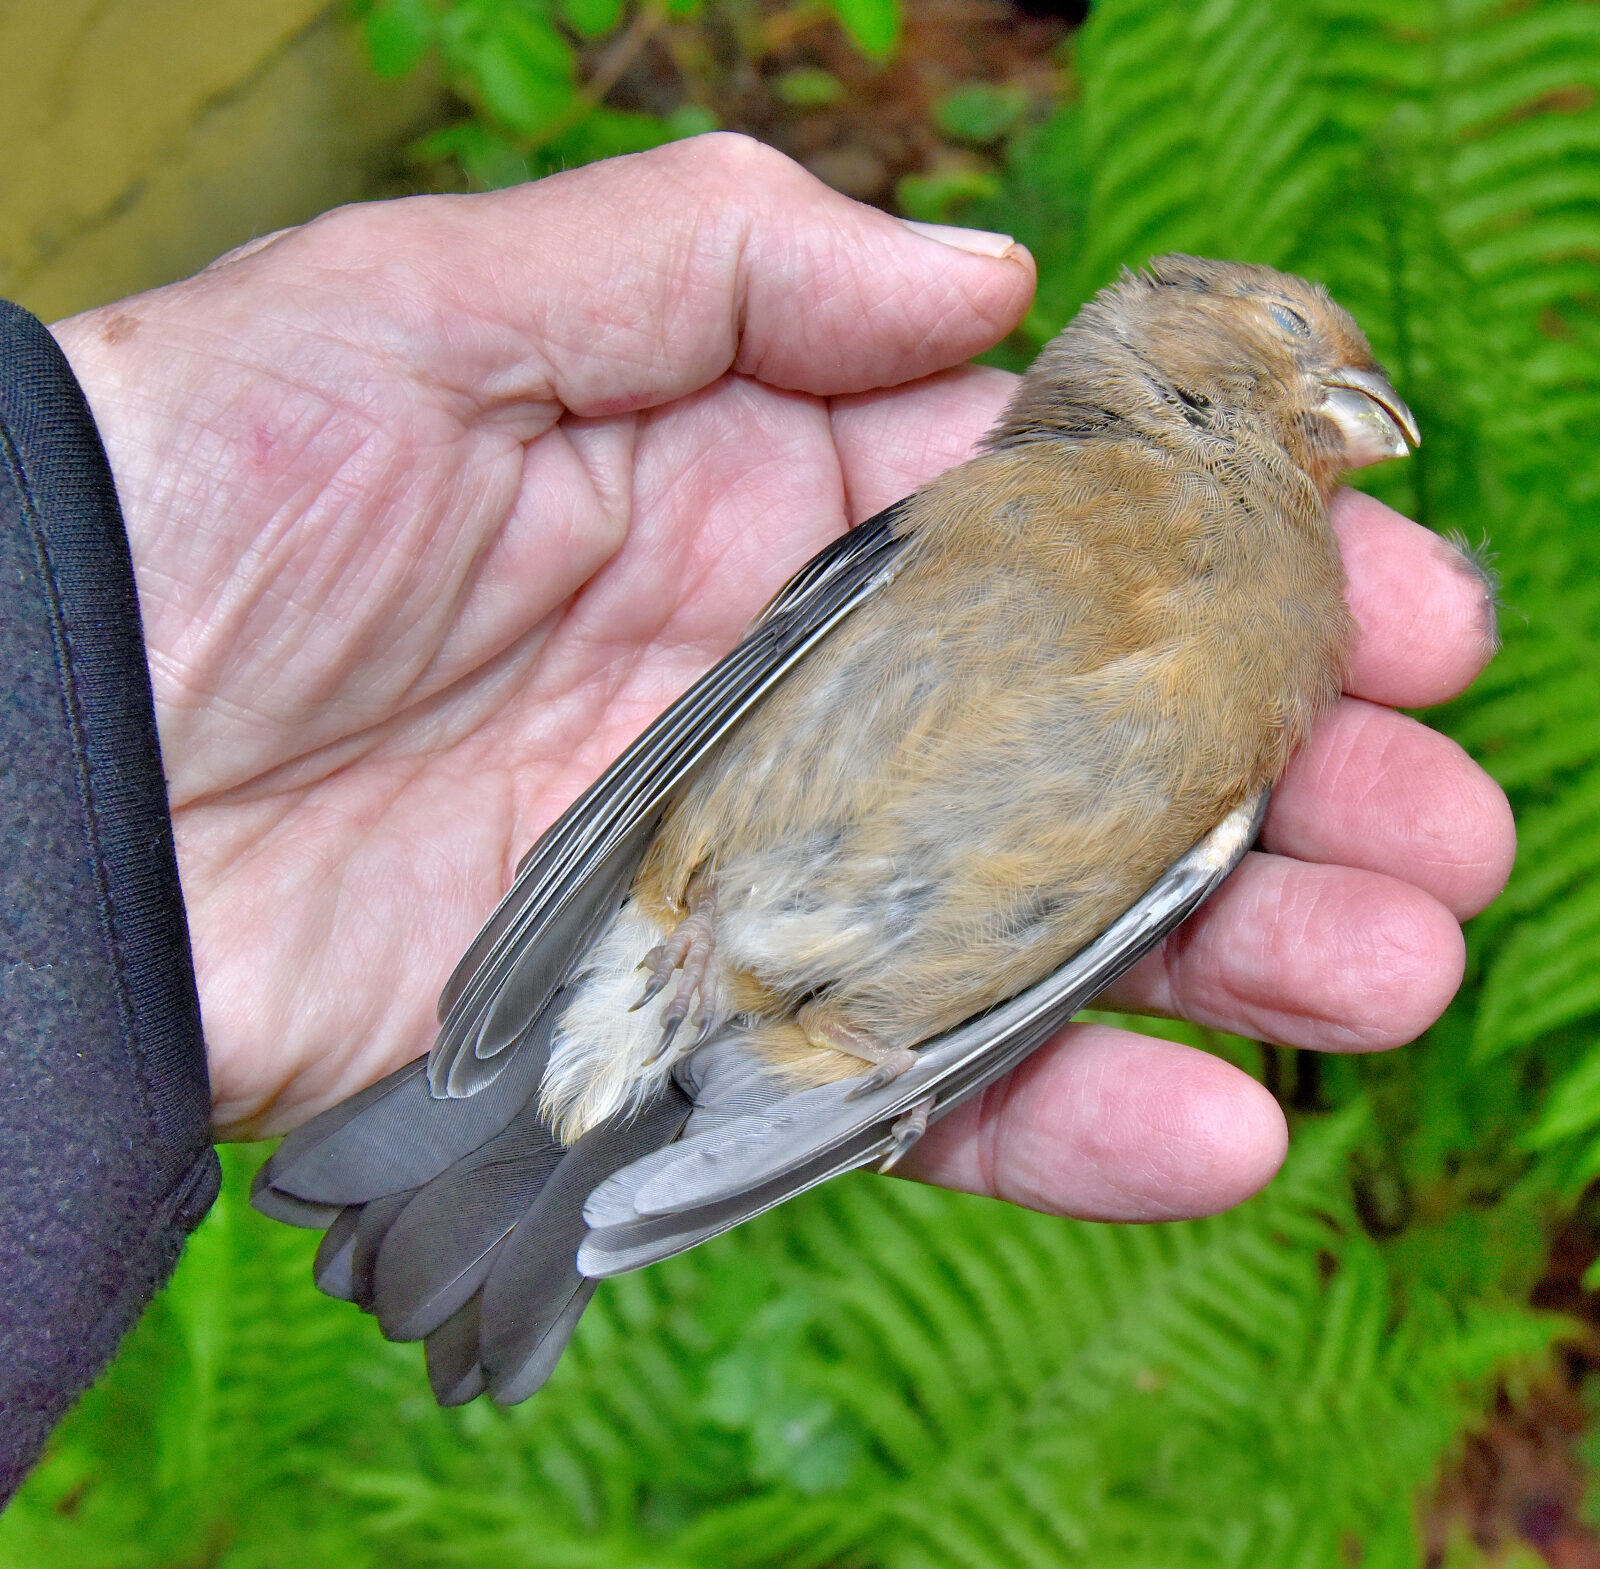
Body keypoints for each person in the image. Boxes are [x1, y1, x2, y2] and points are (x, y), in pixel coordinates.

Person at [0, 133, 1513, 1493]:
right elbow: (738, 694)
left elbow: (1093, 935)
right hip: (698, 886)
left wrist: (865, 1085)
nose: (1340, 393)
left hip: (850, 1004)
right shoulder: (1025, 489)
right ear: (1162, 330)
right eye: (1294, 340)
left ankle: (558, 1172)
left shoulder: (1274, 652)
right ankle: (541, 1146)